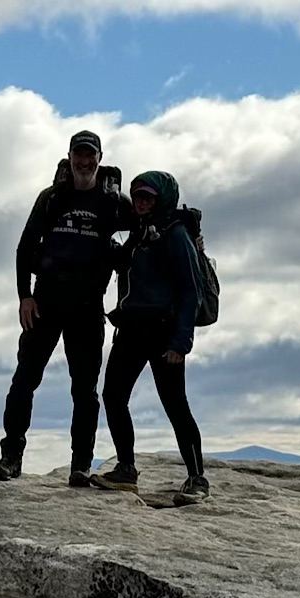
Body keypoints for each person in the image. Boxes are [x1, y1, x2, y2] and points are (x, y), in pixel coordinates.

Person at [0, 130, 132, 486]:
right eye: (78, 154)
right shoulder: (52, 198)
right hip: (45, 302)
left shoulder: (113, 202)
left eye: (90, 155)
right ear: (69, 156)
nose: (84, 161)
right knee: (24, 380)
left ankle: (80, 465)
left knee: (84, 390)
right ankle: (11, 458)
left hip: (87, 307)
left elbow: (142, 232)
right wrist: (24, 296)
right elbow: (25, 248)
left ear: (99, 158)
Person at [91, 171, 210, 505]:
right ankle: (126, 469)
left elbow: (191, 290)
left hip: (163, 331)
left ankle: (197, 478)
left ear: (162, 199)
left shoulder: (175, 233)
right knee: (113, 396)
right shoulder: (141, 232)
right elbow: (122, 264)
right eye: (138, 197)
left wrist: (180, 342)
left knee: (174, 404)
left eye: (148, 198)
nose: (141, 203)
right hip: (131, 328)